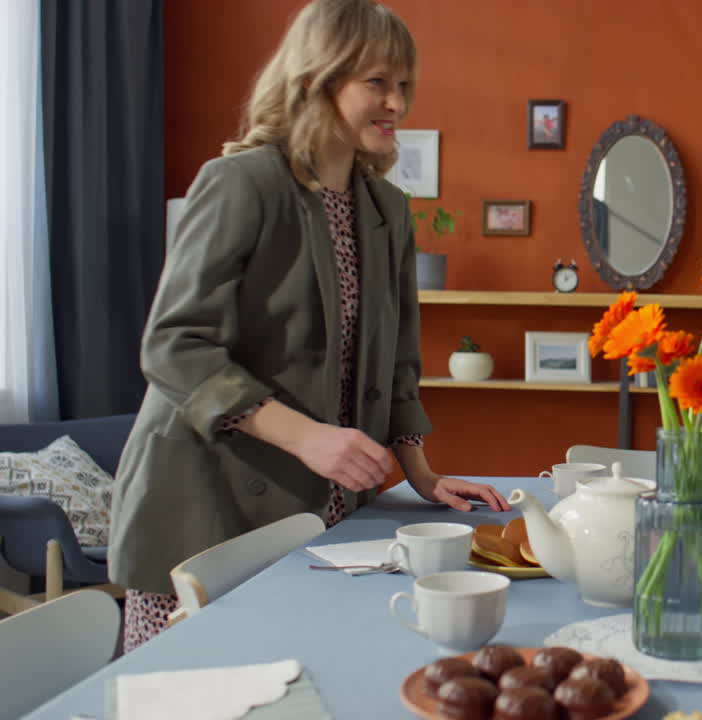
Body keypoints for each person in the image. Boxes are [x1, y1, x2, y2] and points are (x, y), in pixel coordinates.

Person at [108, 0, 509, 652]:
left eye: (404, 84)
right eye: (377, 82)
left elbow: (396, 363)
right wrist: (310, 438)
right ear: (318, 79)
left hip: (320, 512)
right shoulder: (240, 184)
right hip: (205, 506)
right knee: (193, 689)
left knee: (309, 677)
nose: (397, 102)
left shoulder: (387, 209)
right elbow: (173, 344)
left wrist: (421, 474)